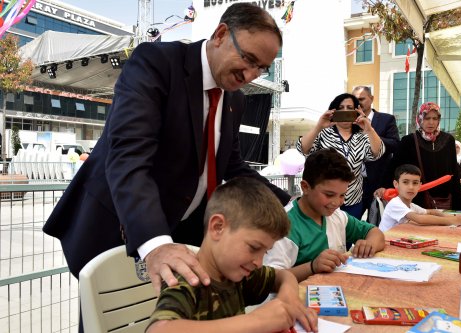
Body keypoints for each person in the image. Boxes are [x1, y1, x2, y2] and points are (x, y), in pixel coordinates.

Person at [42, 3, 291, 292]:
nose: (250, 75)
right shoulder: (156, 63)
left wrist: (288, 204)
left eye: (261, 68)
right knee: (112, 321)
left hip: (181, 235)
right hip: (122, 231)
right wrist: (156, 242)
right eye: (248, 59)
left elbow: (233, 166)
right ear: (221, 34)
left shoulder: (235, 100)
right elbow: (129, 156)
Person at [146, 177, 318, 333]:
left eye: (264, 252)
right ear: (218, 227)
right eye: (253, 247)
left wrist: (287, 298)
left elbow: (284, 276)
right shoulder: (187, 281)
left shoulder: (240, 274)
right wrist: (255, 321)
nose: (259, 262)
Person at [264, 148, 385, 282]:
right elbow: (270, 280)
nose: (337, 202)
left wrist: (369, 245)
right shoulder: (283, 226)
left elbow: (376, 233)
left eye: (342, 195)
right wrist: (312, 267)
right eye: (329, 195)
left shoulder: (337, 216)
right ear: (305, 187)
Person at [297, 93, 385, 219]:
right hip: (325, 198)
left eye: (350, 108)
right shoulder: (323, 133)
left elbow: (377, 153)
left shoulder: (362, 135)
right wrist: (319, 126)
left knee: (349, 235)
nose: (345, 111)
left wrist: (369, 129)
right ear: (334, 111)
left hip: (352, 200)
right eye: (341, 107)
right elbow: (303, 149)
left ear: (357, 111)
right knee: (326, 235)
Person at [376, 102, 461, 210]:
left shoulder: (448, 140)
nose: (431, 122)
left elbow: (454, 169)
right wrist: (384, 186)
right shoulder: (409, 141)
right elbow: (394, 165)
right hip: (416, 199)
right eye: (427, 118)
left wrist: (458, 200)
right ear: (420, 119)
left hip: (445, 199)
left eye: (435, 118)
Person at [352, 86, 400, 221]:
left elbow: (395, 145)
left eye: (361, 98)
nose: (358, 102)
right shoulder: (349, 123)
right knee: (348, 227)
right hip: (354, 185)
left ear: (371, 99)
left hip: (379, 184)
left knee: (377, 226)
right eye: (355, 100)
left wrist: (370, 133)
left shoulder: (386, 119)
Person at [378, 164, 461, 232]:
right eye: (405, 182)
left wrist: (449, 216)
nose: (411, 187)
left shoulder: (411, 206)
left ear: (419, 186)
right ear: (396, 184)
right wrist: (451, 221)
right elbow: (420, 219)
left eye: (415, 183)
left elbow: (431, 212)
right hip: (386, 241)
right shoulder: (395, 203)